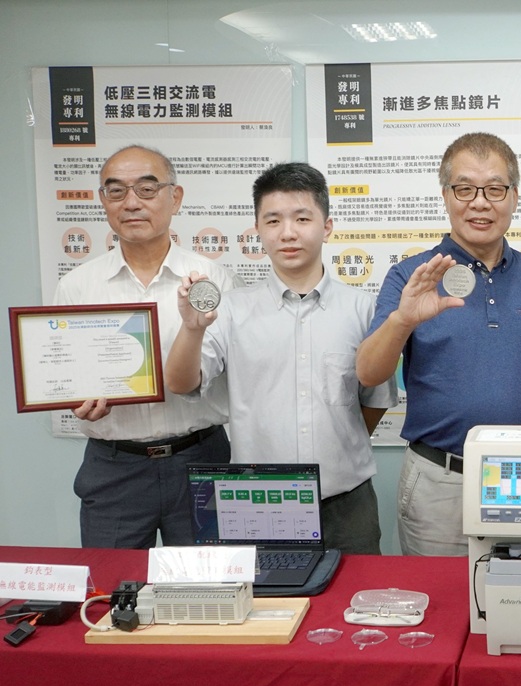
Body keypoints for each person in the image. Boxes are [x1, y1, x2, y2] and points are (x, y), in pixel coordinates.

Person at [165, 162, 397, 554]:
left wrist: (339, 440)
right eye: (273, 221)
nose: (287, 232)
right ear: (258, 230)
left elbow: (373, 402)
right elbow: (181, 384)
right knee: (263, 595)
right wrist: (191, 328)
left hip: (347, 502)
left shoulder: (363, 309)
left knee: (355, 592)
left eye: (302, 218)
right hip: (257, 500)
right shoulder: (231, 310)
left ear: (327, 227)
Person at [356, 133, 521, 556]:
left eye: (494, 189)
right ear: (446, 196)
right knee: (439, 595)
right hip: (441, 480)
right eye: (465, 189)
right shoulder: (412, 276)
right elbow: (369, 373)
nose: (480, 203)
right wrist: (403, 319)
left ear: (514, 196)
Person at [53, 145, 241, 549]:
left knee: (209, 582)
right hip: (114, 466)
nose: (131, 203)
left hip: (200, 457)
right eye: (116, 191)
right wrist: (75, 398)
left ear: (175, 197)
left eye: (147, 189)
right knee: (111, 584)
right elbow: (66, 372)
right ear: (103, 200)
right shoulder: (77, 286)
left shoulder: (213, 279)